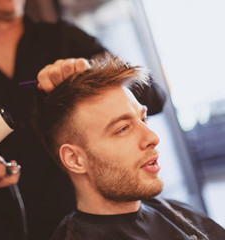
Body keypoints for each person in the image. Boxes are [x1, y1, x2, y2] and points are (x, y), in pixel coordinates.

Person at [0, 0, 165, 239]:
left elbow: (154, 99)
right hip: (19, 230)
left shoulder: (66, 39)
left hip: (104, 224)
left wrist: (93, 70)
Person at [33, 54, 225, 240]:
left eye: (143, 119)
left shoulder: (178, 214)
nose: (153, 137)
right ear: (75, 159)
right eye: (123, 128)